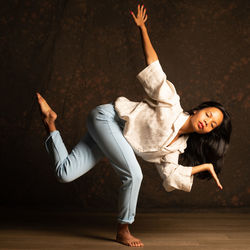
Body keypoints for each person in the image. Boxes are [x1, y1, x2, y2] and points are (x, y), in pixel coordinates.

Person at [36, 4, 232, 248]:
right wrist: (142, 28)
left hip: (111, 137)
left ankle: (50, 123)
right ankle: (123, 229)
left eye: (212, 124)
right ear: (199, 109)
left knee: (64, 173)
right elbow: (154, 66)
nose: (207, 121)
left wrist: (202, 167)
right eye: (209, 114)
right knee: (134, 174)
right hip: (107, 119)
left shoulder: (177, 148)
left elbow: (170, 175)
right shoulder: (171, 102)